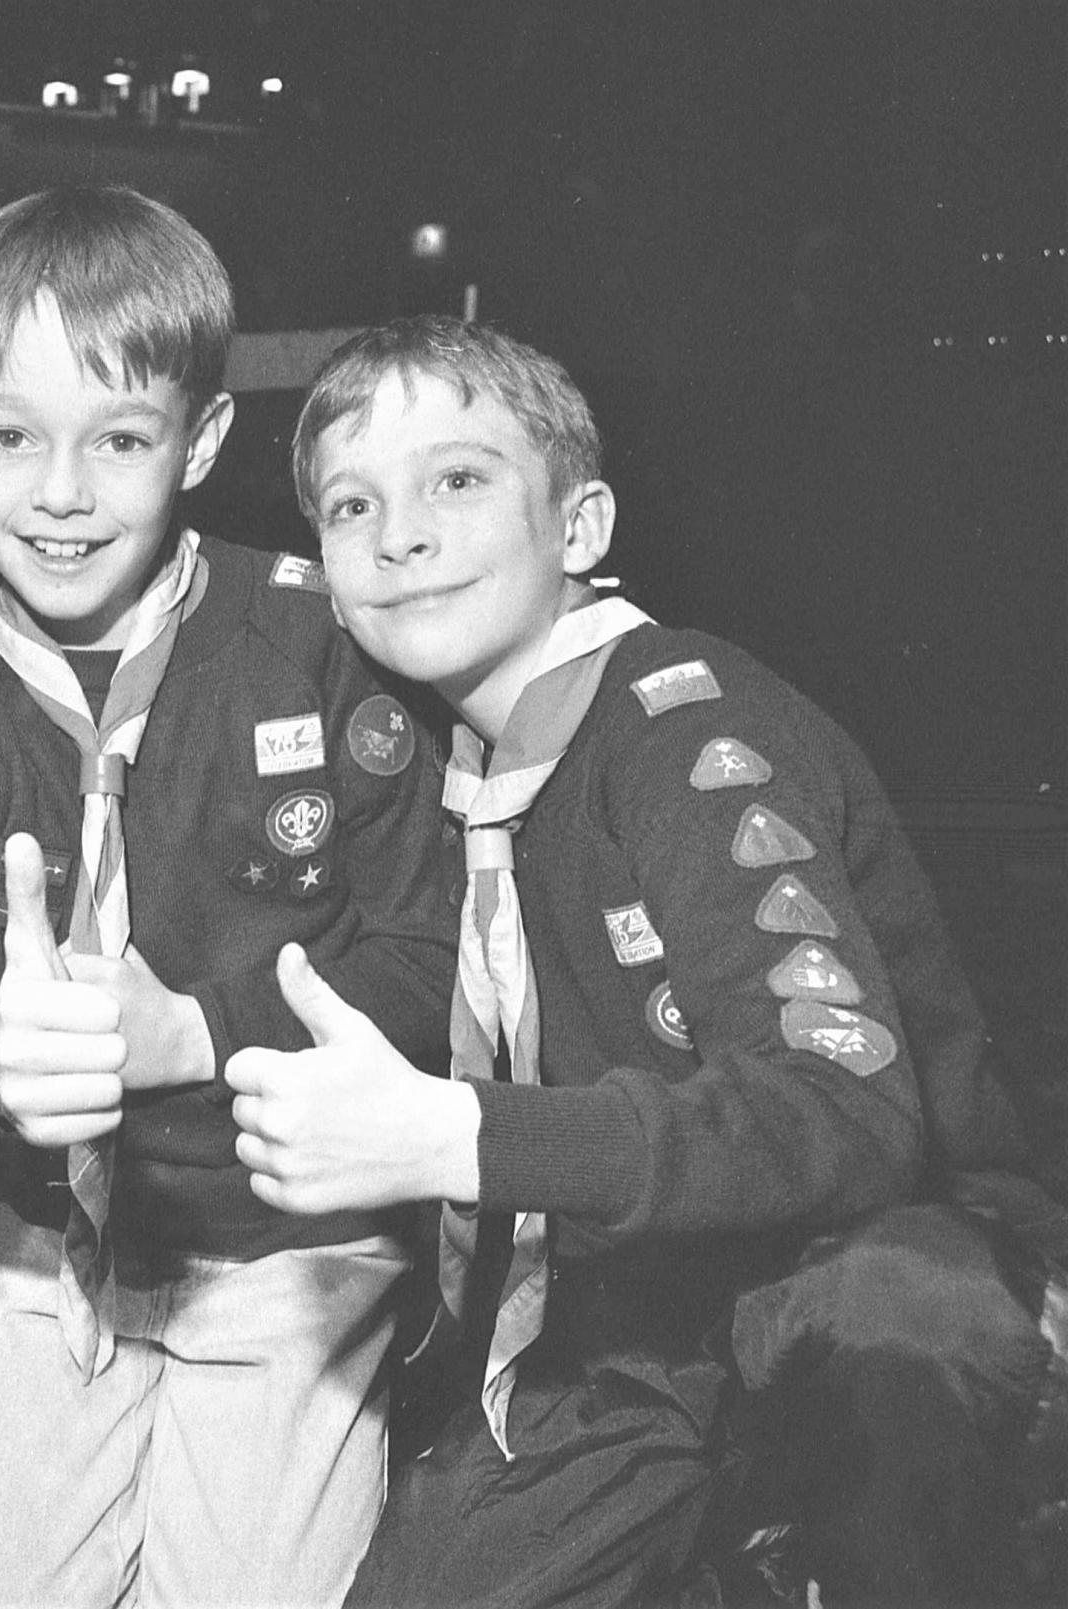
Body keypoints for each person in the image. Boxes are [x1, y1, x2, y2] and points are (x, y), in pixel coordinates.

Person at [239, 312, 1055, 1606]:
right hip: (638, 1303)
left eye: (458, 478)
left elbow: (847, 1112)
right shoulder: (448, 782)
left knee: (899, 1328)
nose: (400, 532)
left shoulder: (683, 716)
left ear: (580, 528)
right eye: (351, 504)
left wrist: (462, 1135)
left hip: (865, 1268)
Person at [0, 184, 458, 1607]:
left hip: (290, 1243)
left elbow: (428, 962)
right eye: (11, 440)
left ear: (204, 441)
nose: (63, 493)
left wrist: (202, 1033)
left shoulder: (321, 643)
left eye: (120, 440)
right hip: (32, 1248)